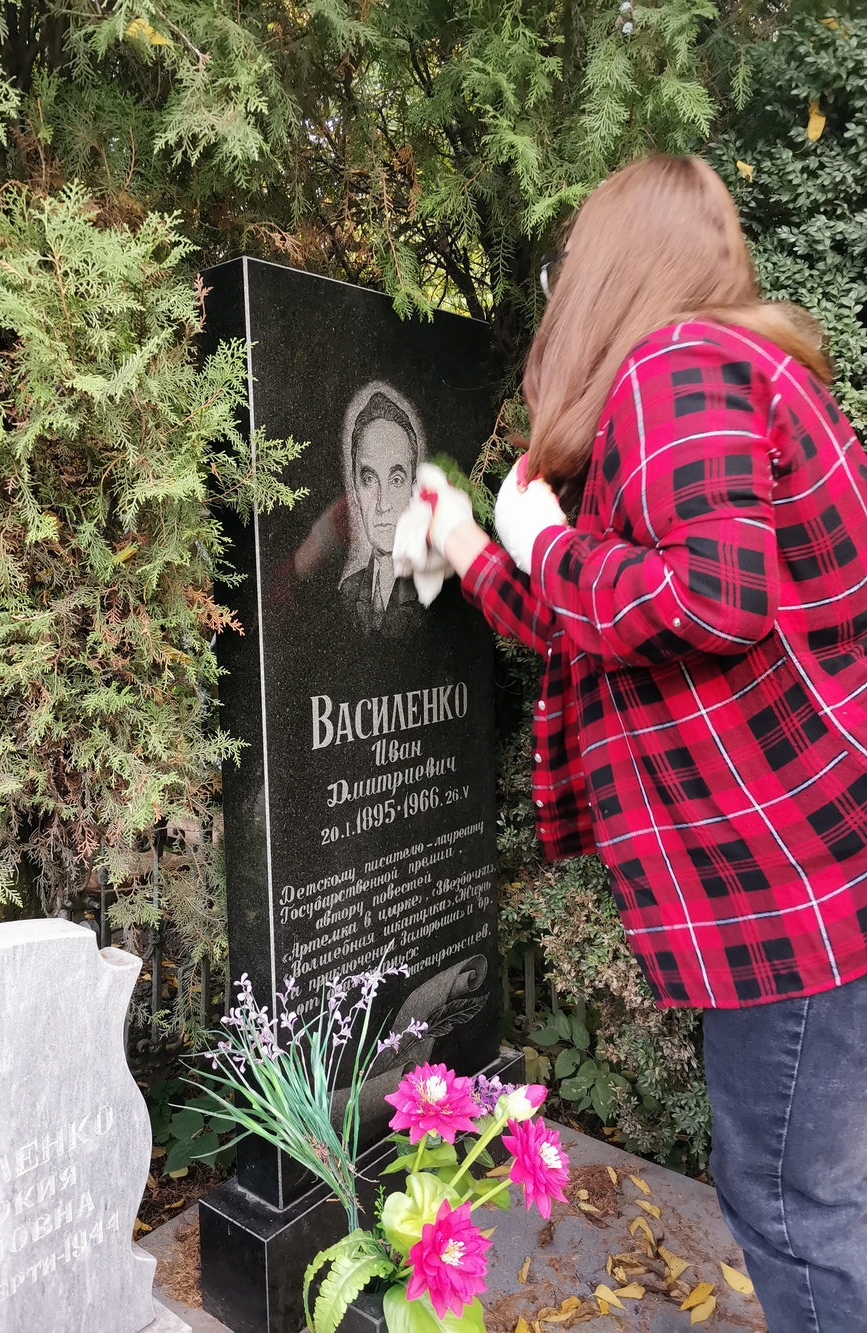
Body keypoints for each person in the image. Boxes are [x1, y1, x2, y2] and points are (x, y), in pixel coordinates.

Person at [395, 155, 867, 1331]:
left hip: (798, 903)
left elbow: (710, 597)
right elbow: (613, 625)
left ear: (609, 270)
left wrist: (543, 543)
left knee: (794, 1211)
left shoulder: (675, 364)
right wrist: (477, 549)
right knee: (818, 1201)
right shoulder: (731, 369)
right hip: (821, 886)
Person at [341, 390, 423, 638]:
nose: (382, 504)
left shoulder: (434, 594)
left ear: (413, 488)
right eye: (369, 479)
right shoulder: (346, 594)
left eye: (396, 480)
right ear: (355, 488)